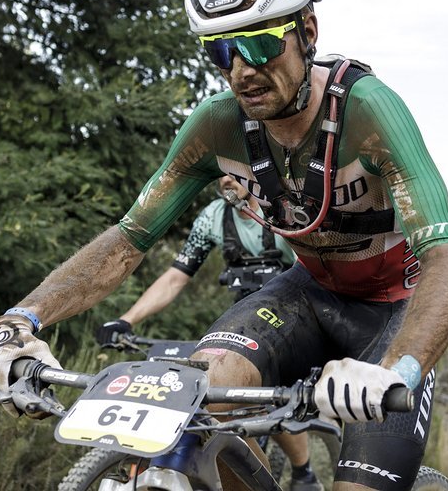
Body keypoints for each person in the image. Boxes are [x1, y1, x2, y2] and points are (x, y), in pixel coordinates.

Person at [0, 0, 448, 491]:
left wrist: (395, 370)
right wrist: (18, 320)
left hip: (394, 310)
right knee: (196, 399)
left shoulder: (369, 110)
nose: (240, 70)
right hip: (306, 295)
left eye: (257, 44)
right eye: (220, 51)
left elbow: (447, 258)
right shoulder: (217, 124)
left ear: (307, 31)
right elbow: (129, 238)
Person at [95, 174, 321, 491]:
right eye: (221, 174)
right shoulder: (213, 216)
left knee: (269, 392)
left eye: (235, 172)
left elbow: (315, 275)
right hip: (242, 321)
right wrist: (126, 320)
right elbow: (177, 276)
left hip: (292, 315)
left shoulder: (283, 214)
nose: (227, 179)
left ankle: (304, 473)